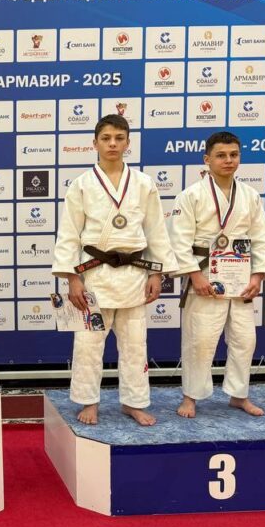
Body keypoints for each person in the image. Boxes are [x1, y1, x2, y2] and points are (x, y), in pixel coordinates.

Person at [52, 114, 177, 426]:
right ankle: (89, 401)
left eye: (119, 138)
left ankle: (133, 402)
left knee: (135, 344)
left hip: (134, 275)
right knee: (88, 344)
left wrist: (156, 273)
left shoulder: (144, 184)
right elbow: (69, 234)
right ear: (94, 143)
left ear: (128, 143)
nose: (112, 144)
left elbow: (156, 230)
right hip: (94, 275)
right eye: (106, 138)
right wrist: (72, 279)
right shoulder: (81, 185)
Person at [169, 131, 265, 418]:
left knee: (245, 339)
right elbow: (179, 239)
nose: (228, 160)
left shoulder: (250, 195)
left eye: (233, 155)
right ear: (207, 159)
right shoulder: (190, 195)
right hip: (205, 274)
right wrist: (194, 276)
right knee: (200, 340)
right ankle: (190, 396)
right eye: (221, 155)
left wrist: (258, 276)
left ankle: (239, 395)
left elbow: (261, 237)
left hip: (240, 276)